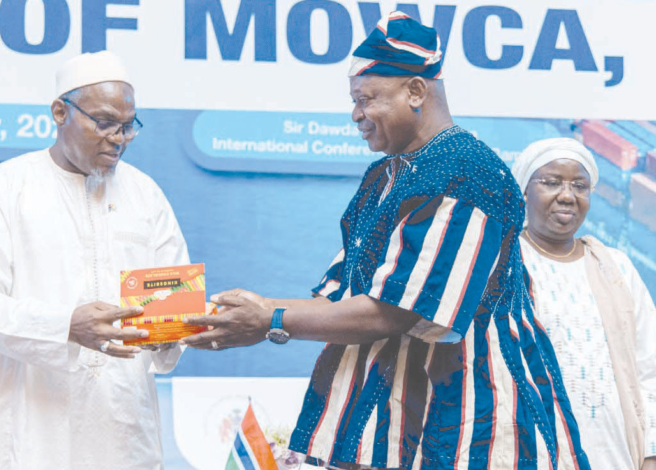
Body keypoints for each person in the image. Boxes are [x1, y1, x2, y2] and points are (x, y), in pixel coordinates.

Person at [181, 12, 590, 470]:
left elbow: (397, 310)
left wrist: (269, 319)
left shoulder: (467, 173)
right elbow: (347, 299)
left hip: (474, 426)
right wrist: (233, 313)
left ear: (416, 91)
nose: (356, 114)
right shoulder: (385, 176)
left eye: (366, 99)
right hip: (390, 427)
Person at [0, 51, 188, 470]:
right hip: (32, 437)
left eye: (129, 127)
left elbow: (171, 302)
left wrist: (173, 330)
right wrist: (65, 327)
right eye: (106, 122)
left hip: (125, 436)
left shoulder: (146, 196)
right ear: (60, 112)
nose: (119, 137)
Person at [512, 137, 656, 470]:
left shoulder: (616, 267)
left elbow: (650, 368)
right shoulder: (502, 262)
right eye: (550, 183)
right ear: (524, 190)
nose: (567, 195)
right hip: (529, 453)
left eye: (580, 185)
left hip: (616, 453)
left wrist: (650, 454)